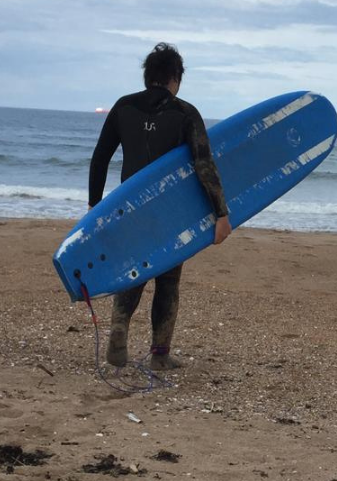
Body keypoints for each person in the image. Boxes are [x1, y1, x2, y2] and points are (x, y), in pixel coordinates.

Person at [88, 43, 232, 370]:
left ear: (147, 75)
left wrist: (94, 208)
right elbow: (204, 165)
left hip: (131, 210)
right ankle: (160, 355)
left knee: (134, 273)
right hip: (171, 214)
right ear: (174, 78)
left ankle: (119, 332)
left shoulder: (123, 108)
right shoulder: (185, 113)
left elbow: (100, 159)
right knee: (167, 281)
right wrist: (221, 214)